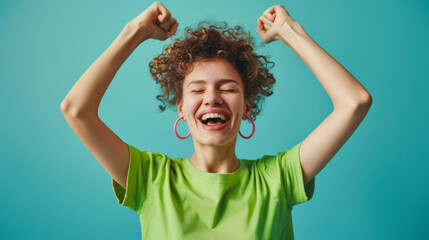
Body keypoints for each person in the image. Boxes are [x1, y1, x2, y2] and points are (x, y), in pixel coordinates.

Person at [60, 1, 372, 239]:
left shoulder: (277, 178)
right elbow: (76, 110)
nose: (212, 98)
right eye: (197, 89)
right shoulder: (151, 178)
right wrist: (135, 32)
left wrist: (289, 31)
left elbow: (354, 102)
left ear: (247, 106)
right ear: (181, 108)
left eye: (227, 88)